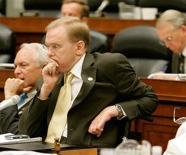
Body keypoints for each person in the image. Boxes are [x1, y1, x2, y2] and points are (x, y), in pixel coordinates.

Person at [18, 17, 158, 147]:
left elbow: (149, 99)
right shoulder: (49, 76)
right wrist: (45, 90)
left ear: (79, 47)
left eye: (56, 46)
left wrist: (112, 110)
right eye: (47, 46)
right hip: (47, 150)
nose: (49, 53)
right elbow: (27, 133)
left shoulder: (108, 65)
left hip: (84, 150)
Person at [0, 43, 49, 134]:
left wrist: (10, 97)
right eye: (15, 66)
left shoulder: (45, 98)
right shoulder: (19, 95)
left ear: (44, 68)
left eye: (23, 65)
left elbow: (13, 136)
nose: (16, 71)